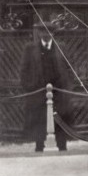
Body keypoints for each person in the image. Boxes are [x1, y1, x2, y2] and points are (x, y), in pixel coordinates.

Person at [19, 20, 69, 152]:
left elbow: (68, 69)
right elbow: (24, 70)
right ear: (39, 33)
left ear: (53, 33)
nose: (45, 34)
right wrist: (30, 86)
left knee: (60, 117)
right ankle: (39, 145)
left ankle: (62, 145)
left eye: (48, 31)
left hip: (58, 90)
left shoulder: (61, 47)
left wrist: (67, 87)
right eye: (42, 31)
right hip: (38, 90)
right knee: (38, 118)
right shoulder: (30, 49)